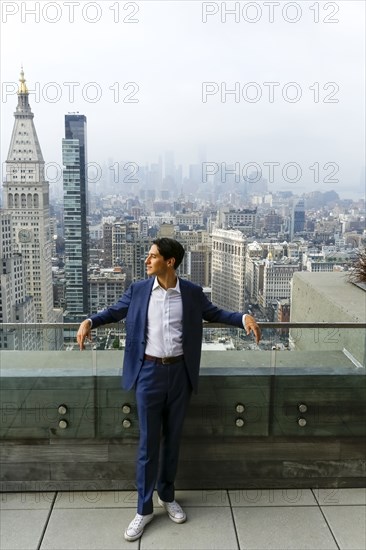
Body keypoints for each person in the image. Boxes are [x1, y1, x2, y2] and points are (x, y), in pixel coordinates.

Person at [77, 237, 261, 541]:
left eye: (152, 256)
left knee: (173, 441)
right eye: (148, 256)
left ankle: (167, 495)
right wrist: (88, 322)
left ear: (170, 262)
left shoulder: (190, 293)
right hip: (147, 372)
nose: (146, 261)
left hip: (180, 373)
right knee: (148, 444)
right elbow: (112, 312)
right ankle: (143, 509)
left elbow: (215, 313)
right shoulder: (138, 291)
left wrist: (243, 317)